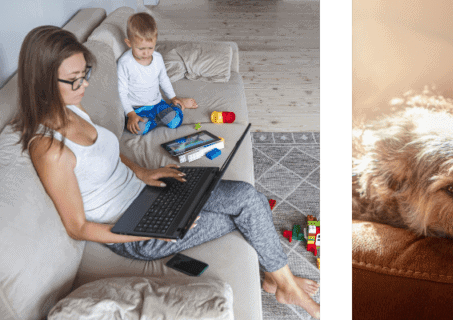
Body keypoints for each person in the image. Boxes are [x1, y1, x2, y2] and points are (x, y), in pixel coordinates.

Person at [12, 25, 321, 319]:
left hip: (150, 195)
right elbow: (78, 227)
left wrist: (143, 172)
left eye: (85, 74)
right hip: (134, 232)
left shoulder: (72, 107)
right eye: (75, 79)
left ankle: (278, 281)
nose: (85, 85)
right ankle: (287, 287)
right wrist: (150, 229)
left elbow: (106, 151)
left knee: (245, 196)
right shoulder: (49, 149)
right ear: (42, 81)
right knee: (240, 214)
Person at [118, 12, 198, 135]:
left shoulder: (157, 58)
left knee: (175, 122)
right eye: (140, 49)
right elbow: (121, 92)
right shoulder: (125, 63)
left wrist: (173, 97)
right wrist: (131, 114)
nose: (146, 53)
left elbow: (163, 79)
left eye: (150, 48)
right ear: (129, 43)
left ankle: (176, 107)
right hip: (137, 109)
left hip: (157, 104)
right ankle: (157, 120)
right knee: (138, 129)